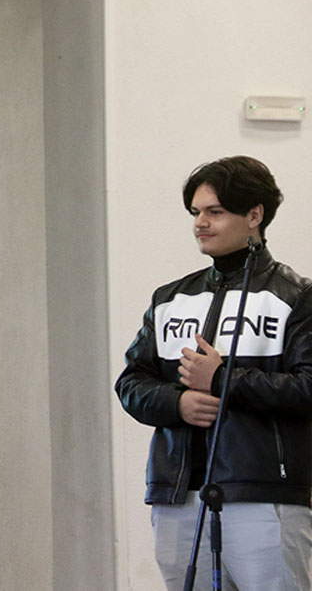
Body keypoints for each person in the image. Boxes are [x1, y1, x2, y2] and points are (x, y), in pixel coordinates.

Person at [116, 156, 312, 590]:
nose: (200, 224)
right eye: (196, 213)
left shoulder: (297, 296)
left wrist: (223, 379)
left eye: (215, 211)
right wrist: (178, 403)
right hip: (177, 492)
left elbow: (307, 388)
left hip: (263, 493)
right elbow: (130, 382)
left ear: (254, 215)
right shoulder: (169, 298)